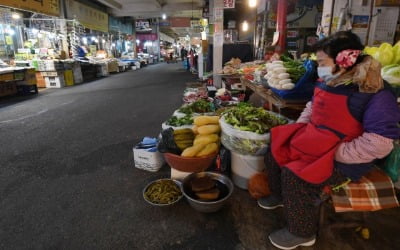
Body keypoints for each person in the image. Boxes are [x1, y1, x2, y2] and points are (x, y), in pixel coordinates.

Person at [258, 31, 400, 249]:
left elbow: (379, 144)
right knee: (276, 148)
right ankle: (280, 197)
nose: (319, 68)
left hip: (348, 157)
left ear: (346, 59)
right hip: (318, 141)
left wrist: (333, 153)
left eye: (323, 62)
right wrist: (299, 128)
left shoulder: (376, 92)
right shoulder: (332, 80)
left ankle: (302, 233)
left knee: (295, 176)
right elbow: (313, 106)